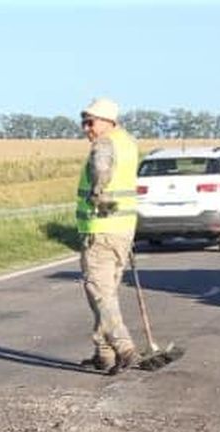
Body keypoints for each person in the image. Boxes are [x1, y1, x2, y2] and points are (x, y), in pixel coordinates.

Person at [75, 97, 140, 374]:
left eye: (90, 122)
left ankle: (124, 348)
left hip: (101, 229)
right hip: (122, 229)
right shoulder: (127, 141)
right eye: (83, 122)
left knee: (99, 291)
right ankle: (104, 353)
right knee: (107, 292)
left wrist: (97, 194)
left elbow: (101, 169)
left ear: (107, 122)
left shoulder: (104, 144)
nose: (86, 128)